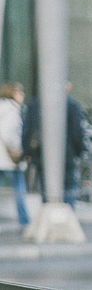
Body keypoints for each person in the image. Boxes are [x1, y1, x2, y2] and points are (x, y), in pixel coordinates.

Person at [21, 82, 85, 207]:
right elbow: (77, 132)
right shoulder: (71, 106)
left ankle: (50, 212)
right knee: (68, 191)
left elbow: (28, 130)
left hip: (42, 155)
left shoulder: (35, 104)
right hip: (66, 155)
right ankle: (66, 215)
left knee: (47, 191)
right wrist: (79, 151)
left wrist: (28, 152)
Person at [0, 83, 29, 228]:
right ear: (11, 94)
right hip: (9, 158)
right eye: (19, 92)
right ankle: (24, 222)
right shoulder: (11, 111)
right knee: (19, 190)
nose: (22, 95)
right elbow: (8, 134)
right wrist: (17, 150)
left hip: (2, 158)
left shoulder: (3, 108)